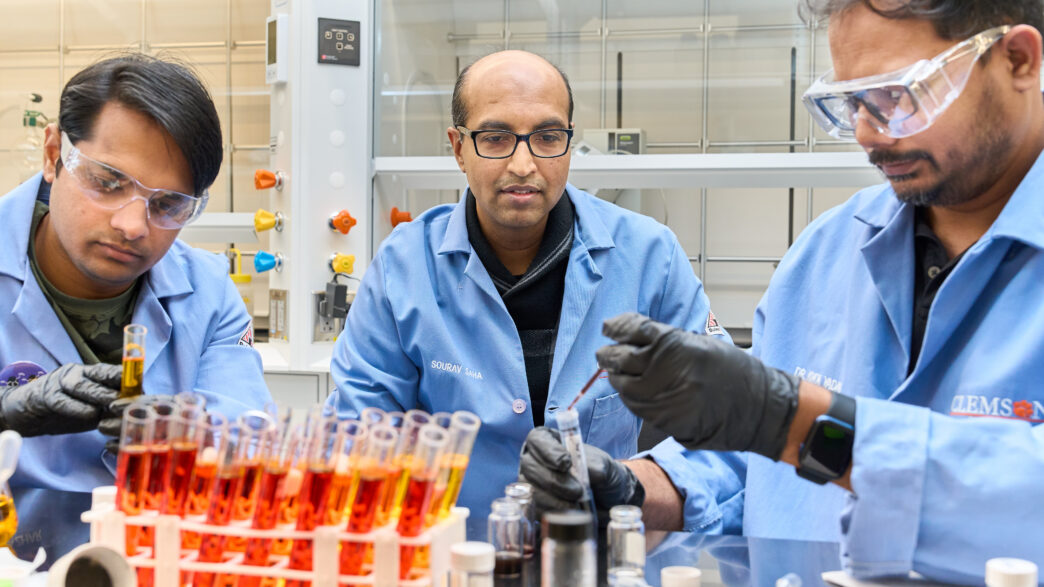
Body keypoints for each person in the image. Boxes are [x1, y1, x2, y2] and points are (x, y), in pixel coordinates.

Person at [520, 0, 1044, 583]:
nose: (869, 132)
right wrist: (638, 489)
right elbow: (761, 463)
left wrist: (793, 420)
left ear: (1018, 60)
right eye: (852, 102)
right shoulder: (826, 254)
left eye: (899, 93)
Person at [328, 50, 726, 532]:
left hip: (599, 560)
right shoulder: (403, 269)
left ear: (569, 143)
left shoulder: (648, 258)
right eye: (495, 138)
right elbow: (357, 436)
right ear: (458, 148)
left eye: (547, 138)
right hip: (452, 561)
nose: (523, 163)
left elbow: (723, 420)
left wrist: (634, 484)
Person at [0, 54, 271, 490]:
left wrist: (181, 433)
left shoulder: (209, 294)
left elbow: (246, 440)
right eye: (107, 182)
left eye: (167, 205)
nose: (132, 226)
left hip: (158, 548)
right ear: (54, 156)